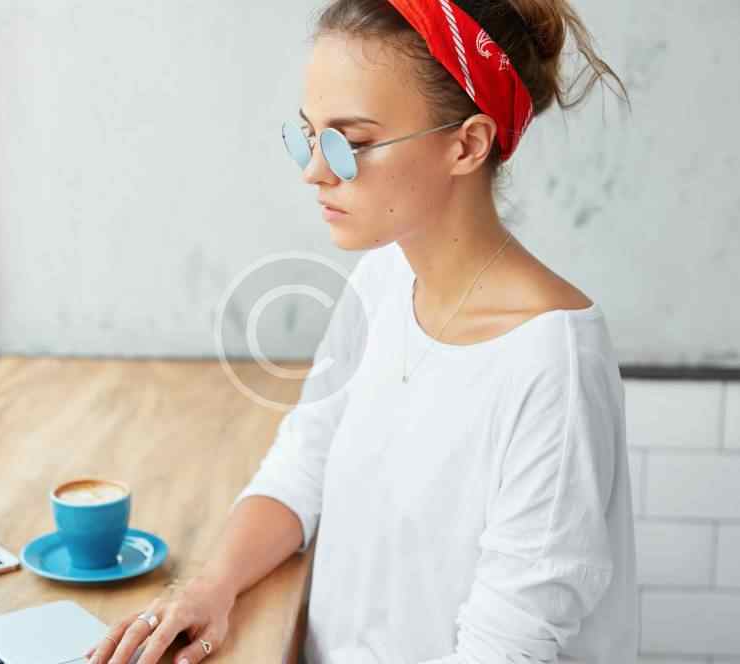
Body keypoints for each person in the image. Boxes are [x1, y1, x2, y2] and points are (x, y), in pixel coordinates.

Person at [85, 0, 635, 663]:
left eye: (351, 143)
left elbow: (508, 647)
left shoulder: (553, 361)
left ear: (467, 143)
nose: (314, 171)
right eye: (308, 136)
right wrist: (212, 586)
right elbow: (303, 463)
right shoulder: (382, 280)